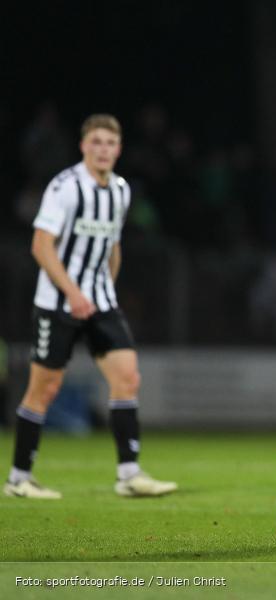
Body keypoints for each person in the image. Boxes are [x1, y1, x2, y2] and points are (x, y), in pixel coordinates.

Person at [4, 114, 177, 499]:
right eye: (96, 142)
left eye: (110, 143)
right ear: (84, 146)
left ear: (118, 149)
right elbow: (41, 245)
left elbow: (112, 245)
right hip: (57, 303)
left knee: (127, 377)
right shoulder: (65, 187)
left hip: (100, 302)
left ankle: (129, 474)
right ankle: (18, 478)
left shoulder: (120, 190)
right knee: (43, 389)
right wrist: (73, 292)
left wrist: (104, 293)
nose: (103, 150)